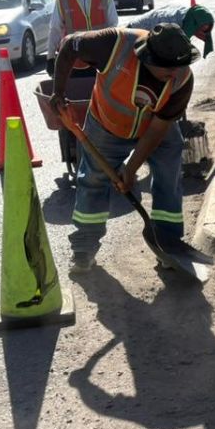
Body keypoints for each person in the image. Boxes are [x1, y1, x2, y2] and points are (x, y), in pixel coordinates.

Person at [50, 24, 198, 275]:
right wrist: (58, 92)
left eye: (179, 65)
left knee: (169, 179)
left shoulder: (182, 80)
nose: (175, 73)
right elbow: (68, 45)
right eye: (168, 67)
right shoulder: (112, 45)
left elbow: (157, 129)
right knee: (93, 182)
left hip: (155, 129)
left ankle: (168, 246)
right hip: (106, 126)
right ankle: (84, 251)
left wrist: (130, 169)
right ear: (148, 57)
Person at [127, 4, 215, 59]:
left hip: (148, 32)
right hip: (135, 33)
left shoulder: (187, 15)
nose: (202, 34)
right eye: (200, 30)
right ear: (193, 25)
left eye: (205, 31)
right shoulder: (174, 25)